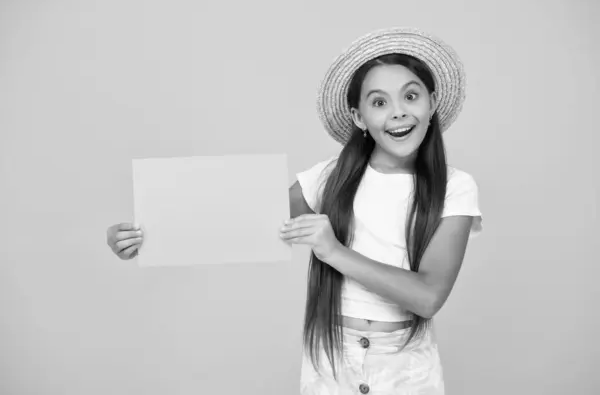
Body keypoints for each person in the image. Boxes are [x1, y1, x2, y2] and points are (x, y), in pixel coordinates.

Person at [106, 27, 482, 394]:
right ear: (358, 117)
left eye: (411, 96)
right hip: (330, 362)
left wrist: (333, 251)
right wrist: (146, 235)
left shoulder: (455, 187)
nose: (398, 113)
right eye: (379, 102)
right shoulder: (329, 178)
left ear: (432, 102)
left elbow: (428, 296)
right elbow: (239, 221)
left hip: (407, 368)